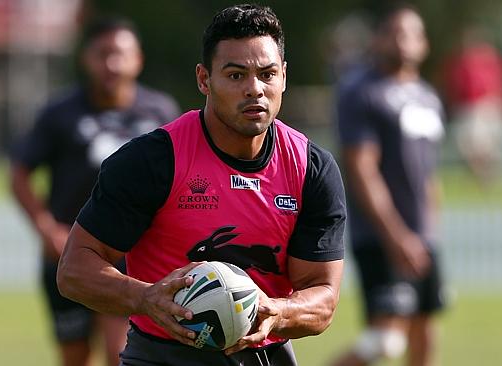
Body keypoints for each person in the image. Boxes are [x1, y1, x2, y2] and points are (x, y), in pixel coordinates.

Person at [56, 4, 346, 366]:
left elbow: (323, 296)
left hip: (265, 355)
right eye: (236, 75)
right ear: (204, 80)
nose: (255, 89)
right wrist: (146, 298)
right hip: (162, 357)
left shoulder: (310, 168)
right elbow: (74, 270)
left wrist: (279, 312)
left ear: (284, 77)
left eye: (267, 74)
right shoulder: (154, 161)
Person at [9, 17, 181, 366]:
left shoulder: (160, 112)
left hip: (130, 254)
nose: (111, 64)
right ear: (86, 59)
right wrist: (46, 228)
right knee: (74, 355)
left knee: (119, 351)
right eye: (102, 54)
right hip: (69, 253)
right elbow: (19, 174)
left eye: (119, 54)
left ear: (138, 60)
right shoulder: (60, 114)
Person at [332, 4, 446, 366]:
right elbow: (362, 169)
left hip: (423, 236)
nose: (403, 41)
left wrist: (428, 233)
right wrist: (397, 236)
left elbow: (429, 174)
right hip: (381, 236)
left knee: (424, 330)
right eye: (394, 32)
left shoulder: (428, 97)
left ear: (424, 43)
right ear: (378, 39)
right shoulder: (362, 92)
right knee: (385, 341)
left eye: (411, 33)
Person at [441, 25, 502, 185]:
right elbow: (453, 87)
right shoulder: (460, 61)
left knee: (488, 149)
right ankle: (483, 178)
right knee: (471, 147)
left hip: (488, 107)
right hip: (469, 109)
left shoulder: (492, 60)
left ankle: (486, 178)